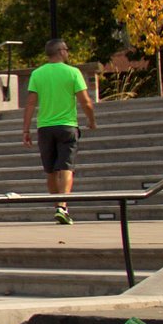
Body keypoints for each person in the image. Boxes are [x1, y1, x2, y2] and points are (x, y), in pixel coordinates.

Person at [20, 38, 96, 223]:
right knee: (66, 167)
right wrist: (91, 120)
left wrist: (26, 130)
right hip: (67, 125)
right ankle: (63, 206)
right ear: (61, 51)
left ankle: (58, 207)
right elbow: (85, 101)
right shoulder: (73, 72)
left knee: (51, 170)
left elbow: (30, 103)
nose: (68, 52)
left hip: (45, 127)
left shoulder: (37, 74)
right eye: (67, 49)